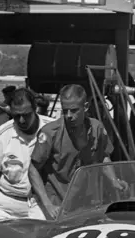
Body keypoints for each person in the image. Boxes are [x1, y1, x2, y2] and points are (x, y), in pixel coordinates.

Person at [29, 84, 128, 220]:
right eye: (65, 111)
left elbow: (103, 156)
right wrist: (48, 205)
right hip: (54, 205)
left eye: (74, 110)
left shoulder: (96, 128)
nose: (69, 116)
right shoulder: (50, 133)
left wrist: (114, 181)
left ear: (86, 107)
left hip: (82, 205)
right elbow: (33, 168)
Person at [0, 88, 54, 221]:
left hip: (43, 205)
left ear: (35, 108)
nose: (21, 120)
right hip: (7, 208)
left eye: (26, 115)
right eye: (16, 115)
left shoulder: (52, 129)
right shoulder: (2, 134)